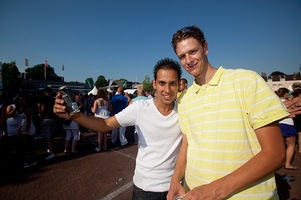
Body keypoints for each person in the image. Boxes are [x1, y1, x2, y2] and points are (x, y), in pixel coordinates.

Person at [167, 25, 289, 200]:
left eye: (193, 51)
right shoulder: (184, 99)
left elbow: (275, 153)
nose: (188, 60)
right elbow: (187, 145)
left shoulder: (247, 81)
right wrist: (175, 178)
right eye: (182, 56)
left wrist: (214, 190)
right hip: (194, 194)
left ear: (206, 48)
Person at [54, 58, 182, 200]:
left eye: (172, 83)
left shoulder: (185, 109)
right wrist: (76, 117)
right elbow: (106, 124)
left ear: (179, 85)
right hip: (146, 188)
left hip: (176, 186)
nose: (167, 90)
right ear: (154, 84)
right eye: (162, 83)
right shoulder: (140, 108)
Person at [276, 88, 298, 170]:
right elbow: (294, 110)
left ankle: (278, 163)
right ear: (285, 94)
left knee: (280, 146)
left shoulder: (275, 103)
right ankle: (287, 164)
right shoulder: (287, 102)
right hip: (288, 124)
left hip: (278, 124)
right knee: (291, 145)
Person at [38, 87, 56, 160]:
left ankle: (51, 152)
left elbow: (42, 109)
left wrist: (39, 111)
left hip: (46, 118)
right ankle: (52, 149)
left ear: (45, 92)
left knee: (48, 137)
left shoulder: (44, 99)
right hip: (53, 118)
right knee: (51, 135)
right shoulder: (53, 99)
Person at [292, 82, 301, 154]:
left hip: (294, 116)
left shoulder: (291, 97)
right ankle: (300, 149)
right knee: (300, 134)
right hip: (298, 115)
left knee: (297, 132)